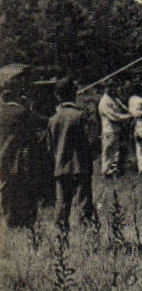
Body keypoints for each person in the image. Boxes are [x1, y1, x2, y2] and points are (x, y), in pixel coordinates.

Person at [48, 80, 98, 230]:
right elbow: (93, 141)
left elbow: (50, 148)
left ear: (57, 96)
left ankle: (61, 242)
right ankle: (88, 242)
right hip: (81, 167)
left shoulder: (52, 120)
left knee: (61, 207)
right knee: (84, 206)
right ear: (75, 94)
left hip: (61, 169)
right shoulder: (81, 116)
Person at [0, 78, 49, 227]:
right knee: (22, 188)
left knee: (5, 187)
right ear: (15, 94)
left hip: (3, 156)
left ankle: (7, 218)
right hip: (19, 158)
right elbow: (39, 124)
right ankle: (23, 221)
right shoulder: (22, 112)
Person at [97, 83, 132, 178]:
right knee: (108, 151)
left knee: (116, 151)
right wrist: (130, 116)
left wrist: (129, 112)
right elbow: (114, 117)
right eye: (109, 87)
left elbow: (123, 108)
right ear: (105, 88)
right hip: (108, 131)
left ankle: (115, 172)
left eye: (113, 87)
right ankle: (106, 173)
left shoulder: (114, 99)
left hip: (116, 130)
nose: (112, 89)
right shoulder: (104, 102)